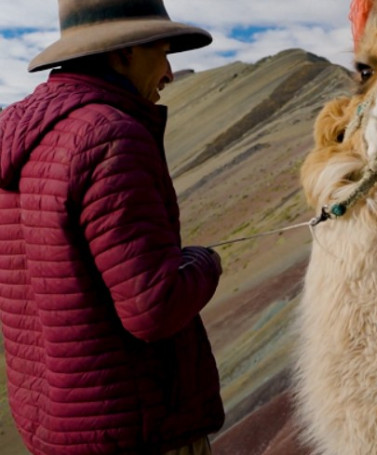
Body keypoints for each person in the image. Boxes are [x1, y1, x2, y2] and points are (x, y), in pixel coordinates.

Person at [0, 0, 224, 453]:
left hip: (56, 429)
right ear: (123, 52)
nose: (169, 73)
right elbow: (153, 308)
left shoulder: (16, 132)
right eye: (162, 53)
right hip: (136, 431)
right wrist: (206, 262)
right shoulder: (111, 135)